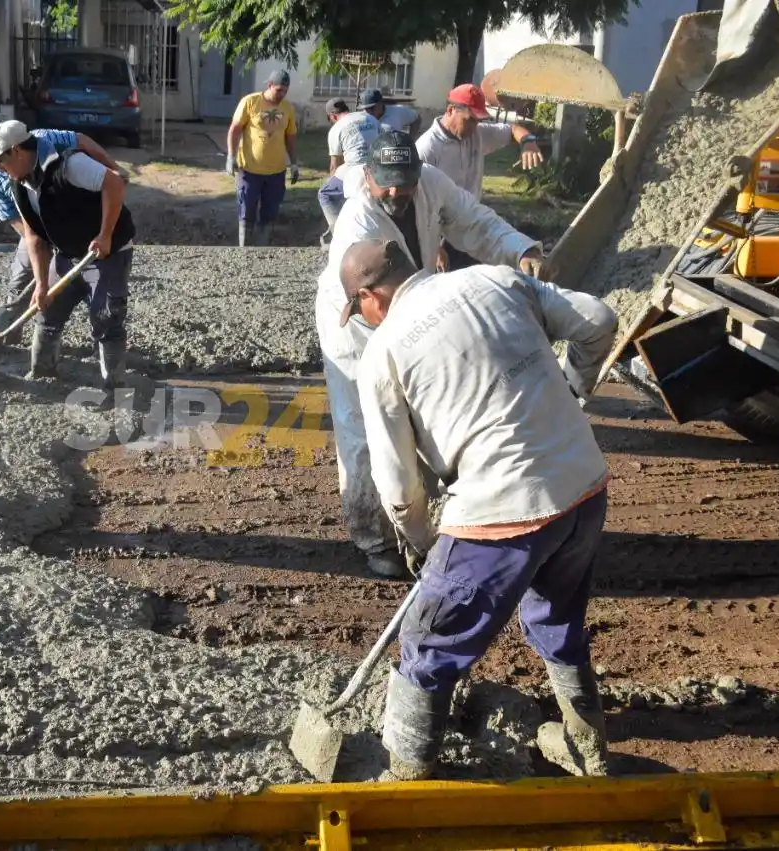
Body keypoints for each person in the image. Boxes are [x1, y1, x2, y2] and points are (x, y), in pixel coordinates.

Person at [337, 238, 617, 780]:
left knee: (429, 634)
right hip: (582, 486)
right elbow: (598, 318)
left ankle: (407, 768)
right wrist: (574, 386)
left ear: (370, 297)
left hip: (501, 509)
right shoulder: (495, 279)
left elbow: (397, 480)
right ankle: (589, 745)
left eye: (360, 310)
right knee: (557, 613)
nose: (363, 320)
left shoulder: (384, 351)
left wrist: (420, 541)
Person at [316, 131, 545, 579]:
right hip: (360, 321)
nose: (398, 192)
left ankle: (430, 523)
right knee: (368, 429)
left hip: (410, 305)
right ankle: (376, 537)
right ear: (368, 176)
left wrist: (521, 248)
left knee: (423, 416)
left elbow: (474, 222)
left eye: (406, 181)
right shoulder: (358, 226)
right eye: (388, 184)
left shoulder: (431, 184)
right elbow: (378, 303)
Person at [0, 115, 127, 374]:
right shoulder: (15, 181)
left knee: (105, 314)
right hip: (62, 243)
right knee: (45, 308)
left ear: (16, 151)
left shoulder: (68, 162)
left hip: (104, 247)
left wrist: (105, 235)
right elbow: (32, 235)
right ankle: (41, 372)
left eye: (0, 160)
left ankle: (113, 384)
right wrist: (42, 283)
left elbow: (113, 182)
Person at [415, 83, 544, 271]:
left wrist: (528, 142)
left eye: (478, 120)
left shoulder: (477, 134)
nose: (475, 126)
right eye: (470, 120)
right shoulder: (427, 148)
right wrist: (434, 248)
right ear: (451, 110)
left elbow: (513, 129)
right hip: (443, 236)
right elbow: (419, 206)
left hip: (473, 226)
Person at [226, 70, 299, 247]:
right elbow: (234, 130)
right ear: (270, 86)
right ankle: (244, 249)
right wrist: (231, 156)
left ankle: (262, 250)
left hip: (276, 172)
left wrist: (294, 163)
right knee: (246, 211)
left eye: (285, 91)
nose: (282, 94)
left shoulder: (287, 108)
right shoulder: (250, 102)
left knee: (270, 212)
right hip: (250, 170)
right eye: (279, 90)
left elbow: (290, 137)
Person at [318, 97, 381, 244]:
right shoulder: (370, 118)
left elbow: (335, 165)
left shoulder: (336, 128)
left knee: (326, 193)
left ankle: (338, 233)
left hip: (356, 169)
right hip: (378, 166)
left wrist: (333, 181)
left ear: (332, 116)